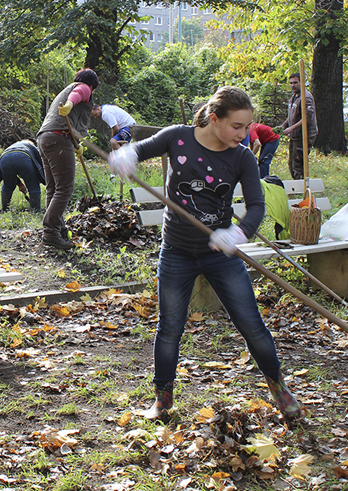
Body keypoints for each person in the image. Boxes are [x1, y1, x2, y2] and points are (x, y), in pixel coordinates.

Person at [107, 86, 302, 424]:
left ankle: (277, 385)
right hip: (177, 253)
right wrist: (128, 156)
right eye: (237, 127)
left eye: (247, 127)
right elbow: (141, 147)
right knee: (170, 327)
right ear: (214, 119)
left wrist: (239, 233)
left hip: (220, 254)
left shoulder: (241, 156)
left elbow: (256, 205)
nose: (244, 135)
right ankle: (162, 398)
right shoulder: (178, 138)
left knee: (252, 324)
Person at [36, 69, 98, 250]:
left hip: (45, 138)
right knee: (65, 188)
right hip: (58, 138)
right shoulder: (84, 87)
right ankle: (50, 232)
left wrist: (76, 144)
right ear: (92, 85)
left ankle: (58, 228)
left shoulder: (66, 89)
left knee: (54, 188)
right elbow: (78, 94)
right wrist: (70, 104)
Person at [280, 72, 317, 180]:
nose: (293, 85)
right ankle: (296, 186)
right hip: (295, 135)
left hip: (304, 135)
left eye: (295, 82)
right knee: (291, 162)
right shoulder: (293, 98)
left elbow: (307, 118)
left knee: (298, 162)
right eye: (291, 83)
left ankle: (301, 187)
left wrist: (291, 128)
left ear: (302, 82)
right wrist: (284, 125)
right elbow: (292, 115)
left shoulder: (306, 98)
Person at [0, 139, 44, 212]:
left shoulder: (13, 146)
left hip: (4, 159)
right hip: (23, 158)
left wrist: (19, 184)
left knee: (7, 185)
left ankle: (4, 209)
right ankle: (36, 211)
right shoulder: (31, 147)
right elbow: (40, 164)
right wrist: (45, 180)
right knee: (33, 186)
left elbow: (12, 172)